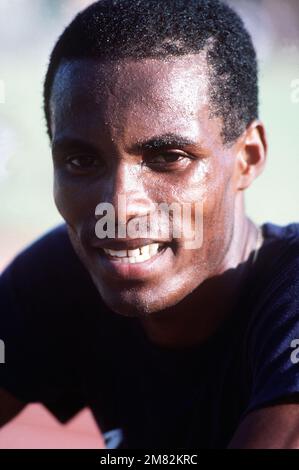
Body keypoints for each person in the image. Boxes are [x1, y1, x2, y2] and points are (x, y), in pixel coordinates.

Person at [1, 0, 299, 449]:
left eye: (167, 158)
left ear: (248, 157)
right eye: (81, 161)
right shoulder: (59, 278)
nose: (119, 205)